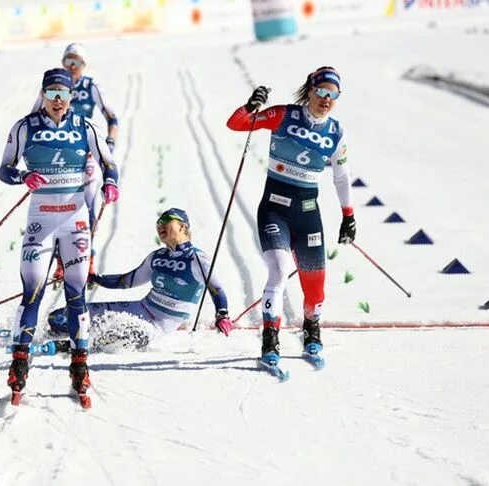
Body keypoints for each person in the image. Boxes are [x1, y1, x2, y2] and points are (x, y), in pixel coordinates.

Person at [0, 67, 119, 404]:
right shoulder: (25, 127)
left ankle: (80, 368)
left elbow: (110, 164)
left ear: (71, 97)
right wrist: (22, 176)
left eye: (62, 94)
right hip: (40, 222)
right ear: (43, 94)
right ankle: (19, 365)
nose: (56, 100)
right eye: (50, 93)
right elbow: (4, 169)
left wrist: (110, 183)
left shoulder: (84, 126)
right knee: (32, 291)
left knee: (76, 293)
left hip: (75, 221)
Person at [225, 67, 355, 367]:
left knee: (316, 288)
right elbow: (237, 124)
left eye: (333, 95)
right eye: (322, 91)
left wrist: (348, 216)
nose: (326, 99)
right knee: (280, 271)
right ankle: (270, 338)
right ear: (310, 90)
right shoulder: (283, 115)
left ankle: (312, 330)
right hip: (274, 209)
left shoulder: (335, 132)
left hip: (308, 214)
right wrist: (250, 106)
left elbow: (341, 177)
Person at [47, 209, 232, 351]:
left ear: (183, 227)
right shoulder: (157, 256)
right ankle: (70, 337)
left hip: (158, 325)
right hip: (140, 308)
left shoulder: (197, 258)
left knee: (110, 334)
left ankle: (70, 347)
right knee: (59, 317)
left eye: (166, 221)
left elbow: (217, 289)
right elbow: (127, 281)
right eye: (158, 223)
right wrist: (95, 278)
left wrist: (222, 314)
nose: (160, 226)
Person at [32, 43, 119, 279]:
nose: (72, 66)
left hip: (86, 155)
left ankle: (88, 260)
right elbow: (33, 119)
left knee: (87, 209)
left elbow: (112, 117)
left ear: (84, 65)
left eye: (77, 62)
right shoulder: (52, 88)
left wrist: (108, 144)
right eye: (68, 61)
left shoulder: (91, 86)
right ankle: (62, 263)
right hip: (57, 159)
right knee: (60, 207)